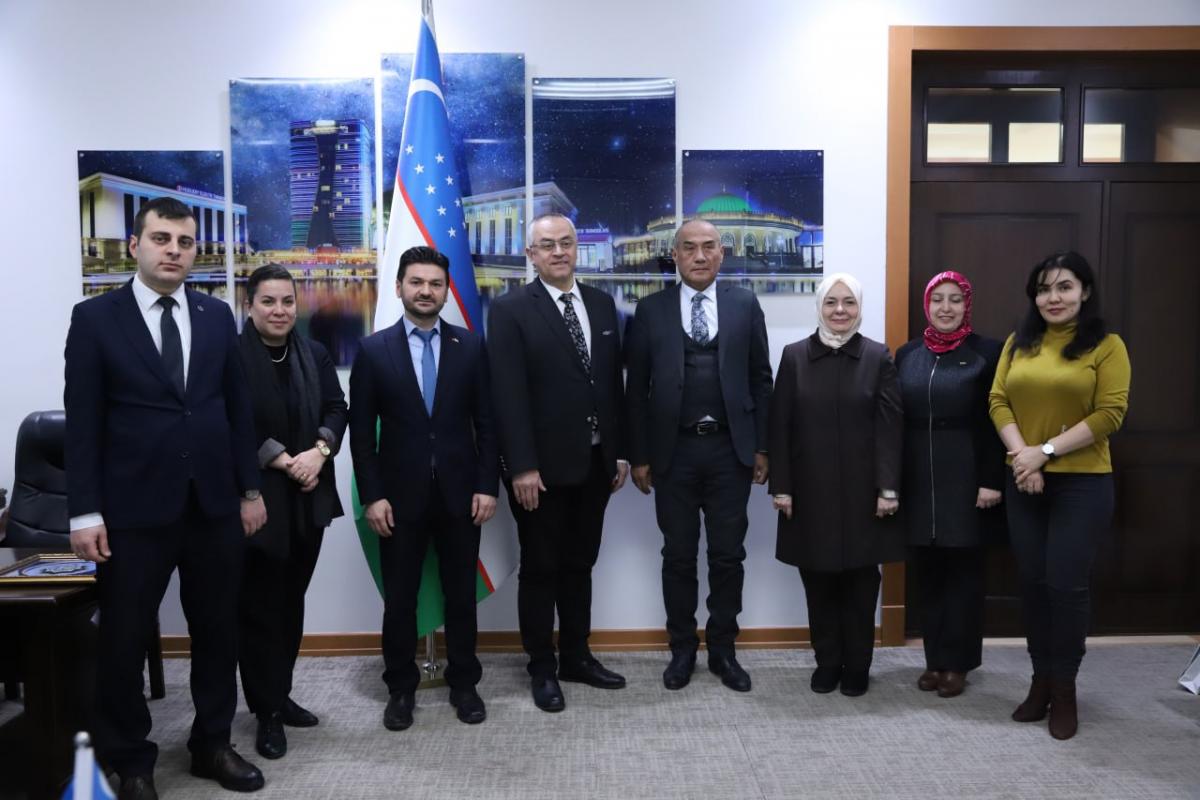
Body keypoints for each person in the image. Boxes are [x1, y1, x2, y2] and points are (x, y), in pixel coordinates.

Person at [64, 197, 266, 799]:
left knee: (218, 633)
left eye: (184, 241)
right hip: (131, 512)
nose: (174, 250)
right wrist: (84, 511)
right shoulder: (95, 318)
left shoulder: (216, 316)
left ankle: (212, 744)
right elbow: (83, 423)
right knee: (124, 640)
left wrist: (250, 489)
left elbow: (238, 411)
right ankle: (131, 759)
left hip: (214, 506)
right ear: (136, 245)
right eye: (161, 239)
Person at [350, 246, 498, 731]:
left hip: (462, 496)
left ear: (446, 291)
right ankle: (400, 688)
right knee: (400, 600)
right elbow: (361, 434)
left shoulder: (470, 347)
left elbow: (487, 423)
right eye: (416, 282)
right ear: (399, 287)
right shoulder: (373, 351)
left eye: (435, 284)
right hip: (397, 500)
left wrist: (487, 485)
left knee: (460, 596)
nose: (426, 291)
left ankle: (464, 683)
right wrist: (372, 496)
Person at [487, 213, 629, 712]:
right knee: (541, 568)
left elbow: (611, 385)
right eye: (547, 245)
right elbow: (507, 394)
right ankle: (541, 666)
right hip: (540, 472)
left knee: (580, 564)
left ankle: (576, 656)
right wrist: (521, 466)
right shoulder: (509, 310)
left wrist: (619, 451)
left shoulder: (601, 304)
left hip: (596, 463)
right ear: (531, 254)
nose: (559, 251)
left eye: (566, 242)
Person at [626, 219, 772, 692]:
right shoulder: (650, 310)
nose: (700, 256)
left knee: (728, 556)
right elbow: (636, 391)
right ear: (675, 255)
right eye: (689, 248)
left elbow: (761, 379)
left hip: (731, 451)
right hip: (674, 453)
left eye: (709, 247)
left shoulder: (745, 304)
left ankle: (724, 650)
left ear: (722, 254)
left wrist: (762, 446)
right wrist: (640, 455)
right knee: (678, 556)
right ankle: (682, 650)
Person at [989, 251, 1130, 740]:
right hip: (1024, 478)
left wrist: (1043, 452)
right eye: (1044, 289)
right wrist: (1022, 458)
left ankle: (1065, 689)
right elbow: (998, 400)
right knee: (1032, 584)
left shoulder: (1107, 346)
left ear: (1084, 292)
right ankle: (1040, 682)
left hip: (1082, 483)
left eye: (1064, 287)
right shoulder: (1018, 342)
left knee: (1066, 587)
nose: (1054, 297)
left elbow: (1109, 414)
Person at [767, 272, 904, 697]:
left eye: (848, 303)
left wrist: (888, 487)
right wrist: (782, 487)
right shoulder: (794, 357)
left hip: (865, 495)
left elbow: (890, 428)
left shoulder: (878, 357)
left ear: (859, 308)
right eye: (831, 302)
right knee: (819, 581)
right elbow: (780, 426)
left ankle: (858, 666)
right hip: (810, 492)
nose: (840, 310)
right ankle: (827, 662)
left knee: (862, 584)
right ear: (819, 307)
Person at [236, 264, 347, 760]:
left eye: (287, 301)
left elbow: (336, 409)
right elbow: (230, 422)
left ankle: (280, 693)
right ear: (249, 305)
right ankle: (265, 713)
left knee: (291, 601)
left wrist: (319, 453)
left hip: (309, 495)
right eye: (268, 301)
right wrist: (282, 459)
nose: (279, 311)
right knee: (260, 607)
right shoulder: (232, 356)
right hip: (257, 498)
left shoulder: (313, 352)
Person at [895, 271, 1003, 699]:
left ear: (967, 305)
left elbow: (997, 419)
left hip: (967, 474)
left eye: (954, 299)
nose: (945, 307)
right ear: (926, 305)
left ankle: (958, 663)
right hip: (918, 476)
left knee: (964, 573)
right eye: (937, 299)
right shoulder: (907, 354)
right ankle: (934, 659)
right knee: (927, 572)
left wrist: (991, 479)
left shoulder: (988, 353)